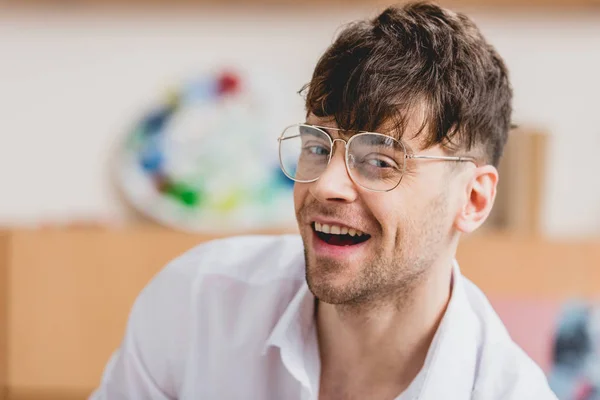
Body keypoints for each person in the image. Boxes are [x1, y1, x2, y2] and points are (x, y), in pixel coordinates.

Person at [91, 2, 558, 399]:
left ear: (473, 199)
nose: (325, 185)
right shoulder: (197, 303)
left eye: (380, 160)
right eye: (317, 147)